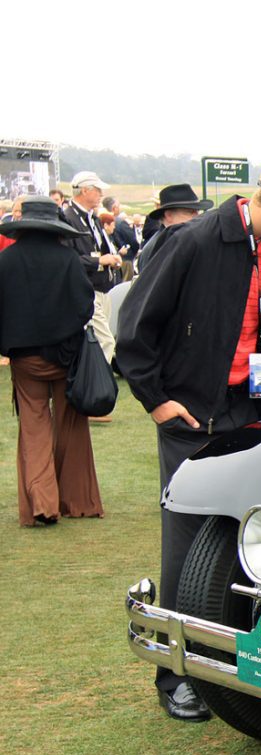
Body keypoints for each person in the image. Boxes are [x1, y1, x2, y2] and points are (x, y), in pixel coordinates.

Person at [116, 153, 261, 722]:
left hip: (250, 416)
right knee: (187, 547)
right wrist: (157, 399)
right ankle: (177, 674)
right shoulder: (191, 242)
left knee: (256, 541)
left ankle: (246, 665)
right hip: (191, 419)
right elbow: (135, 328)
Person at [0, 197, 104, 526]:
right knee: (71, 426)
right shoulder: (68, 260)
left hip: (24, 358)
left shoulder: (7, 260)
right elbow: (85, 305)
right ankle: (78, 501)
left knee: (33, 429)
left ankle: (42, 504)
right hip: (65, 356)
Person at [61, 171, 122, 364]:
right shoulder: (68, 218)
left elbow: (100, 248)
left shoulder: (93, 218)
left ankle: (92, 384)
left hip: (102, 287)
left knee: (99, 339)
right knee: (104, 341)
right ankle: (95, 386)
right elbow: (68, 259)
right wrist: (98, 261)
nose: (101, 195)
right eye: (97, 190)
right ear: (85, 191)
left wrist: (112, 257)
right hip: (85, 288)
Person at [134, 183, 211, 275]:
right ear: (169, 215)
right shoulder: (161, 247)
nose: (196, 217)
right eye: (190, 212)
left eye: (197, 211)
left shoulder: (171, 241)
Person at [102, 194, 141, 273]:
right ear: (114, 208)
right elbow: (132, 240)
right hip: (125, 259)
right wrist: (134, 251)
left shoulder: (100, 220)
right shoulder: (120, 223)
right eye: (118, 206)